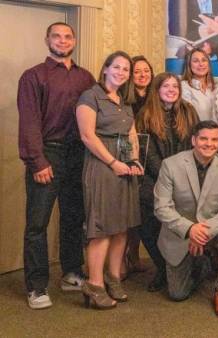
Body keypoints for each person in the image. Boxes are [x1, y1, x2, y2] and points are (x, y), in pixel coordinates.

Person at [17, 22, 95, 309]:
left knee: (74, 217)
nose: (63, 40)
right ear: (47, 39)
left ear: (74, 41)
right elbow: (29, 122)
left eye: (67, 36)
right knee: (37, 224)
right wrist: (37, 161)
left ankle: (71, 272)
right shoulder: (33, 76)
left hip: (78, 156)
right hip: (47, 154)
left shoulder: (86, 77)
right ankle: (36, 287)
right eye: (57, 36)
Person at [76, 50, 143, 309]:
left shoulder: (125, 101)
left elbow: (132, 134)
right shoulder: (90, 96)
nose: (121, 72)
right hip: (102, 166)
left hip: (125, 167)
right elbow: (87, 136)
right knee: (102, 229)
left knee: (122, 227)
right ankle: (94, 284)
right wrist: (113, 163)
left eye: (126, 69)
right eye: (117, 67)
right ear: (105, 68)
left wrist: (134, 160)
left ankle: (113, 278)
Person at [154, 120, 218, 318]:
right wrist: (190, 229)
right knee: (177, 294)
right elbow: (161, 208)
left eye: (214, 140)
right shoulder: (171, 165)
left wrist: (203, 231)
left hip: (212, 227)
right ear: (193, 140)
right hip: (179, 230)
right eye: (203, 139)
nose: (209, 144)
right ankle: (201, 264)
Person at [136, 72, 200, 292]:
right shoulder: (145, 115)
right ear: (157, 89)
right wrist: (166, 179)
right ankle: (162, 267)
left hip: (185, 177)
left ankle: (186, 267)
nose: (172, 90)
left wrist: (179, 179)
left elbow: (195, 147)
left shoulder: (189, 112)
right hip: (153, 178)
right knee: (146, 220)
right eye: (166, 86)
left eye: (175, 86)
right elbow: (147, 153)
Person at [181, 48, 218, 122]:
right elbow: (186, 118)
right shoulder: (183, 87)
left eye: (204, 60)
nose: (201, 64)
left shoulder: (217, 89)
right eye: (195, 61)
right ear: (189, 65)